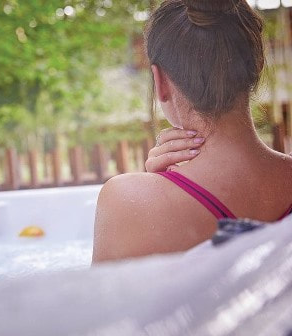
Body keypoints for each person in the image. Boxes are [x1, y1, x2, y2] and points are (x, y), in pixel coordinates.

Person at [92, 0, 292, 264]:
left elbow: (102, 304)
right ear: (258, 64)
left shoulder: (125, 201)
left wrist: (156, 193)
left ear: (160, 81)